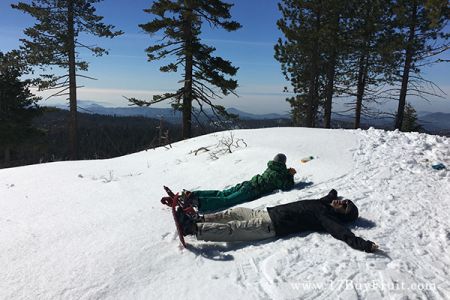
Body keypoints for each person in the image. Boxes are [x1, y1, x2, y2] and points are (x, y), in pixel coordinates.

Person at [175, 189, 379, 253]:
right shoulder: (324, 204)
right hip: (266, 213)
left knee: (233, 229)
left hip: (270, 226)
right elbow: (329, 196)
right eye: (343, 200)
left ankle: (193, 229)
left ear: (342, 214)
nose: (339, 201)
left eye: (343, 205)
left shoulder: (326, 217)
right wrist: (334, 194)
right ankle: (199, 219)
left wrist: (364, 244)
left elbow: (342, 233)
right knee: (234, 212)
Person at [180, 153, 297, 213]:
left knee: (222, 193)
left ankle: (193, 194)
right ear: (283, 163)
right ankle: (199, 202)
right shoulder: (277, 174)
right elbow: (286, 186)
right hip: (251, 190)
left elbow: (276, 175)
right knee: (227, 200)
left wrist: (286, 173)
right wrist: (290, 175)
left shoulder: (271, 168)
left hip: (247, 184)